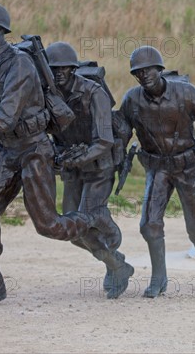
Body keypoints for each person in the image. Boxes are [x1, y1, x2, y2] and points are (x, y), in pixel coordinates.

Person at [0, 3, 131, 306]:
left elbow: (5, 117)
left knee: (49, 226)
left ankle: (94, 216)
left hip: (34, 151)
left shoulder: (21, 65)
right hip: (10, 151)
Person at [119, 46, 195, 298]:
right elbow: (120, 132)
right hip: (158, 168)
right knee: (149, 225)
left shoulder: (187, 93)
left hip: (189, 166)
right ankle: (159, 277)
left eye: (148, 70)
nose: (144, 76)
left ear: (160, 69)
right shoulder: (132, 99)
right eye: (138, 72)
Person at [45, 41, 133, 297]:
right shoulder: (48, 95)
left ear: (73, 68)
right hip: (72, 168)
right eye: (54, 69)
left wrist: (78, 158)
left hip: (98, 166)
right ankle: (115, 263)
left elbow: (104, 141)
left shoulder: (94, 93)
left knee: (84, 218)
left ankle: (104, 223)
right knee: (72, 232)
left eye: (65, 68)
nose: (59, 73)